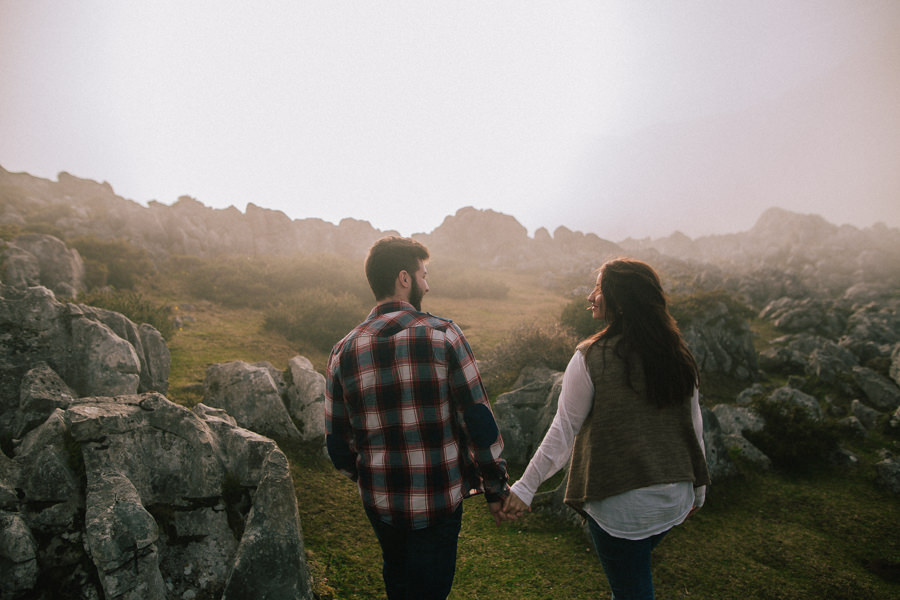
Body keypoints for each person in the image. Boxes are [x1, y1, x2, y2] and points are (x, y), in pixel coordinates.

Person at [503, 257, 710, 600]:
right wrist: (699, 490)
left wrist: (525, 488)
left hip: (621, 510)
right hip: (675, 498)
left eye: (599, 288)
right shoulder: (677, 354)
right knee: (631, 577)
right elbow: (694, 424)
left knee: (631, 588)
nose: (590, 296)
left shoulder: (590, 358)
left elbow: (563, 429)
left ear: (620, 298)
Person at [325, 235, 510, 600]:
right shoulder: (444, 335)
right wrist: (495, 486)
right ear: (404, 278)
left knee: (398, 581)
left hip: (380, 502)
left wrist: (368, 477)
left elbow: (336, 442)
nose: (428, 283)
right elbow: (478, 422)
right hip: (439, 500)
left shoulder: (343, 350)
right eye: (424, 274)